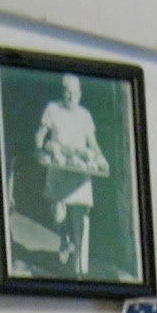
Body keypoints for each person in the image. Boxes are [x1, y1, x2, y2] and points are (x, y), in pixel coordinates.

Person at [35, 73, 107, 273]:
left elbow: (92, 143)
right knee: (59, 217)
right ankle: (64, 239)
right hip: (59, 171)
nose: (71, 96)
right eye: (68, 92)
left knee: (81, 219)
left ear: (80, 94)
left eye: (75, 93)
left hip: (80, 171)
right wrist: (40, 147)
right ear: (63, 92)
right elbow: (40, 134)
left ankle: (79, 270)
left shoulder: (85, 115)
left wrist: (101, 159)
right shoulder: (52, 109)